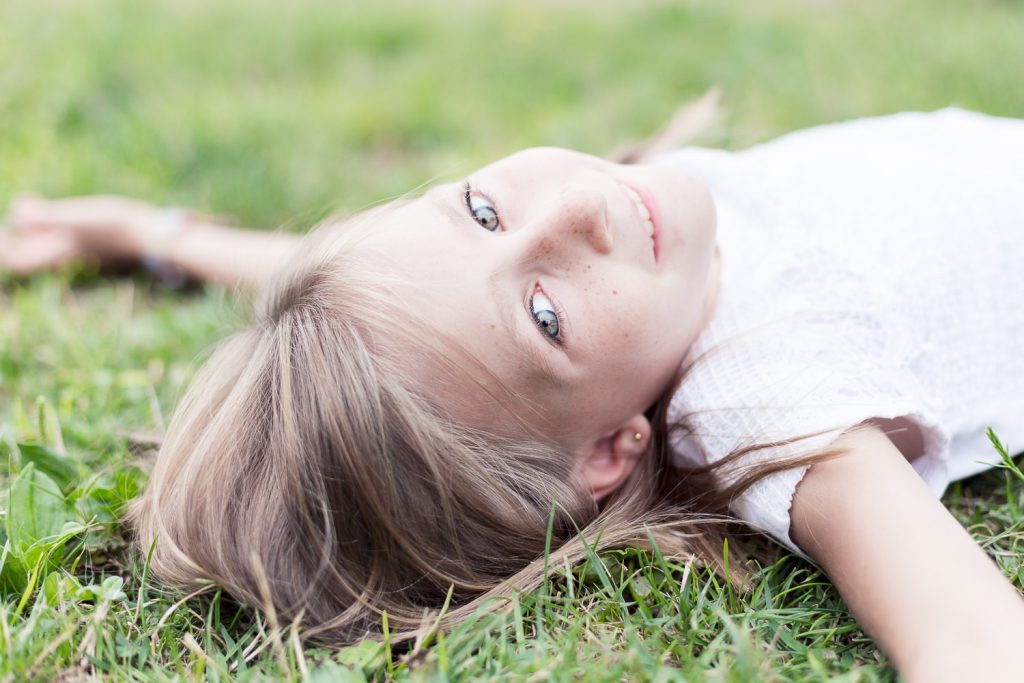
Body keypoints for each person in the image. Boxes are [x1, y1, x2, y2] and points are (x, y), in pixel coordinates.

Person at [3, 107, 1023, 682]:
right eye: (544, 315)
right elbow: (971, 641)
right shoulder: (770, 394)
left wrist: (137, 230)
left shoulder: (622, 264)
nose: (572, 204)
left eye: (481, 208)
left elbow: (334, 265)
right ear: (606, 453)